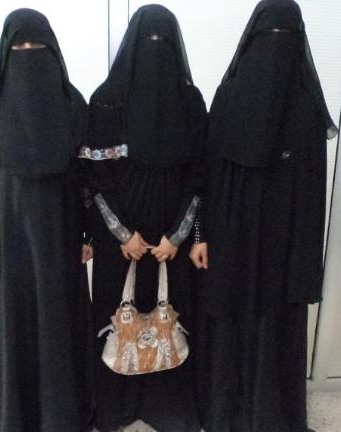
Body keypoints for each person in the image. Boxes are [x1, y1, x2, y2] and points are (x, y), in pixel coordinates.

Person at [191, 0, 339, 431]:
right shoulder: (228, 99)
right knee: (230, 319)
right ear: (252, 40)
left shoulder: (307, 110)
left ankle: (271, 414)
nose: (276, 49)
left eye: (285, 39)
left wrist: (305, 257)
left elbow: (314, 195)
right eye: (269, 37)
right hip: (231, 239)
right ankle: (225, 410)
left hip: (284, 246)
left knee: (275, 326)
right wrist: (200, 235)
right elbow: (204, 179)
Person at [0, 9, 93, 432]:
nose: (28, 52)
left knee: (60, 326)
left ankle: (63, 418)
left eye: (37, 46)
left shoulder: (73, 105)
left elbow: (87, 178)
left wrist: (89, 233)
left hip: (61, 239)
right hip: (9, 242)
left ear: (53, 51)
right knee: (15, 327)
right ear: (5, 54)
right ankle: (19, 419)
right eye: (19, 46)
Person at [80, 5, 207, 431]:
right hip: (120, 239)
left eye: (164, 44)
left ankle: (169, 406)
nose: (156, 52)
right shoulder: (106, 102)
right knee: (120, 316)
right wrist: (122, 234)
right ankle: (117, 406)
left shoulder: (191, 103)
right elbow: (94, 175)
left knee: (172, 317)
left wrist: (178, 235)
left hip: (172, 237)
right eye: (149, 43)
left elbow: (199, 176)